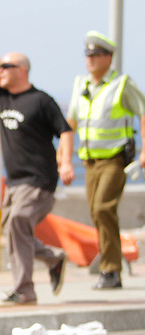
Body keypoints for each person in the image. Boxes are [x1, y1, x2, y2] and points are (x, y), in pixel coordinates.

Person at [0, 24, 75, 307]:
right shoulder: (3, 96)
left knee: (18, 222)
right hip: (15, 181)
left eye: (6, 66)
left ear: (22, 70)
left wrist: (65, 161)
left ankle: (24, 290)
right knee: (14, 230)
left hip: (39, 179)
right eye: (0, 67)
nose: (0, 71)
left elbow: (65, 130)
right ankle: (52, 259)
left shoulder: (41, 101)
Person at [66, 31, 145, 290]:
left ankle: (111, 269)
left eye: (96, 55)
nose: (90, 60)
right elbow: (70, 123)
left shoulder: (121, 84)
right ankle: (109, 267)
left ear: (108, 58)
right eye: (88, 55)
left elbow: (143, 113)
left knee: (103, 208)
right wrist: (64, 158)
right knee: (97, 213)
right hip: (89, 161)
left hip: (114, 159)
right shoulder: (81, 85)